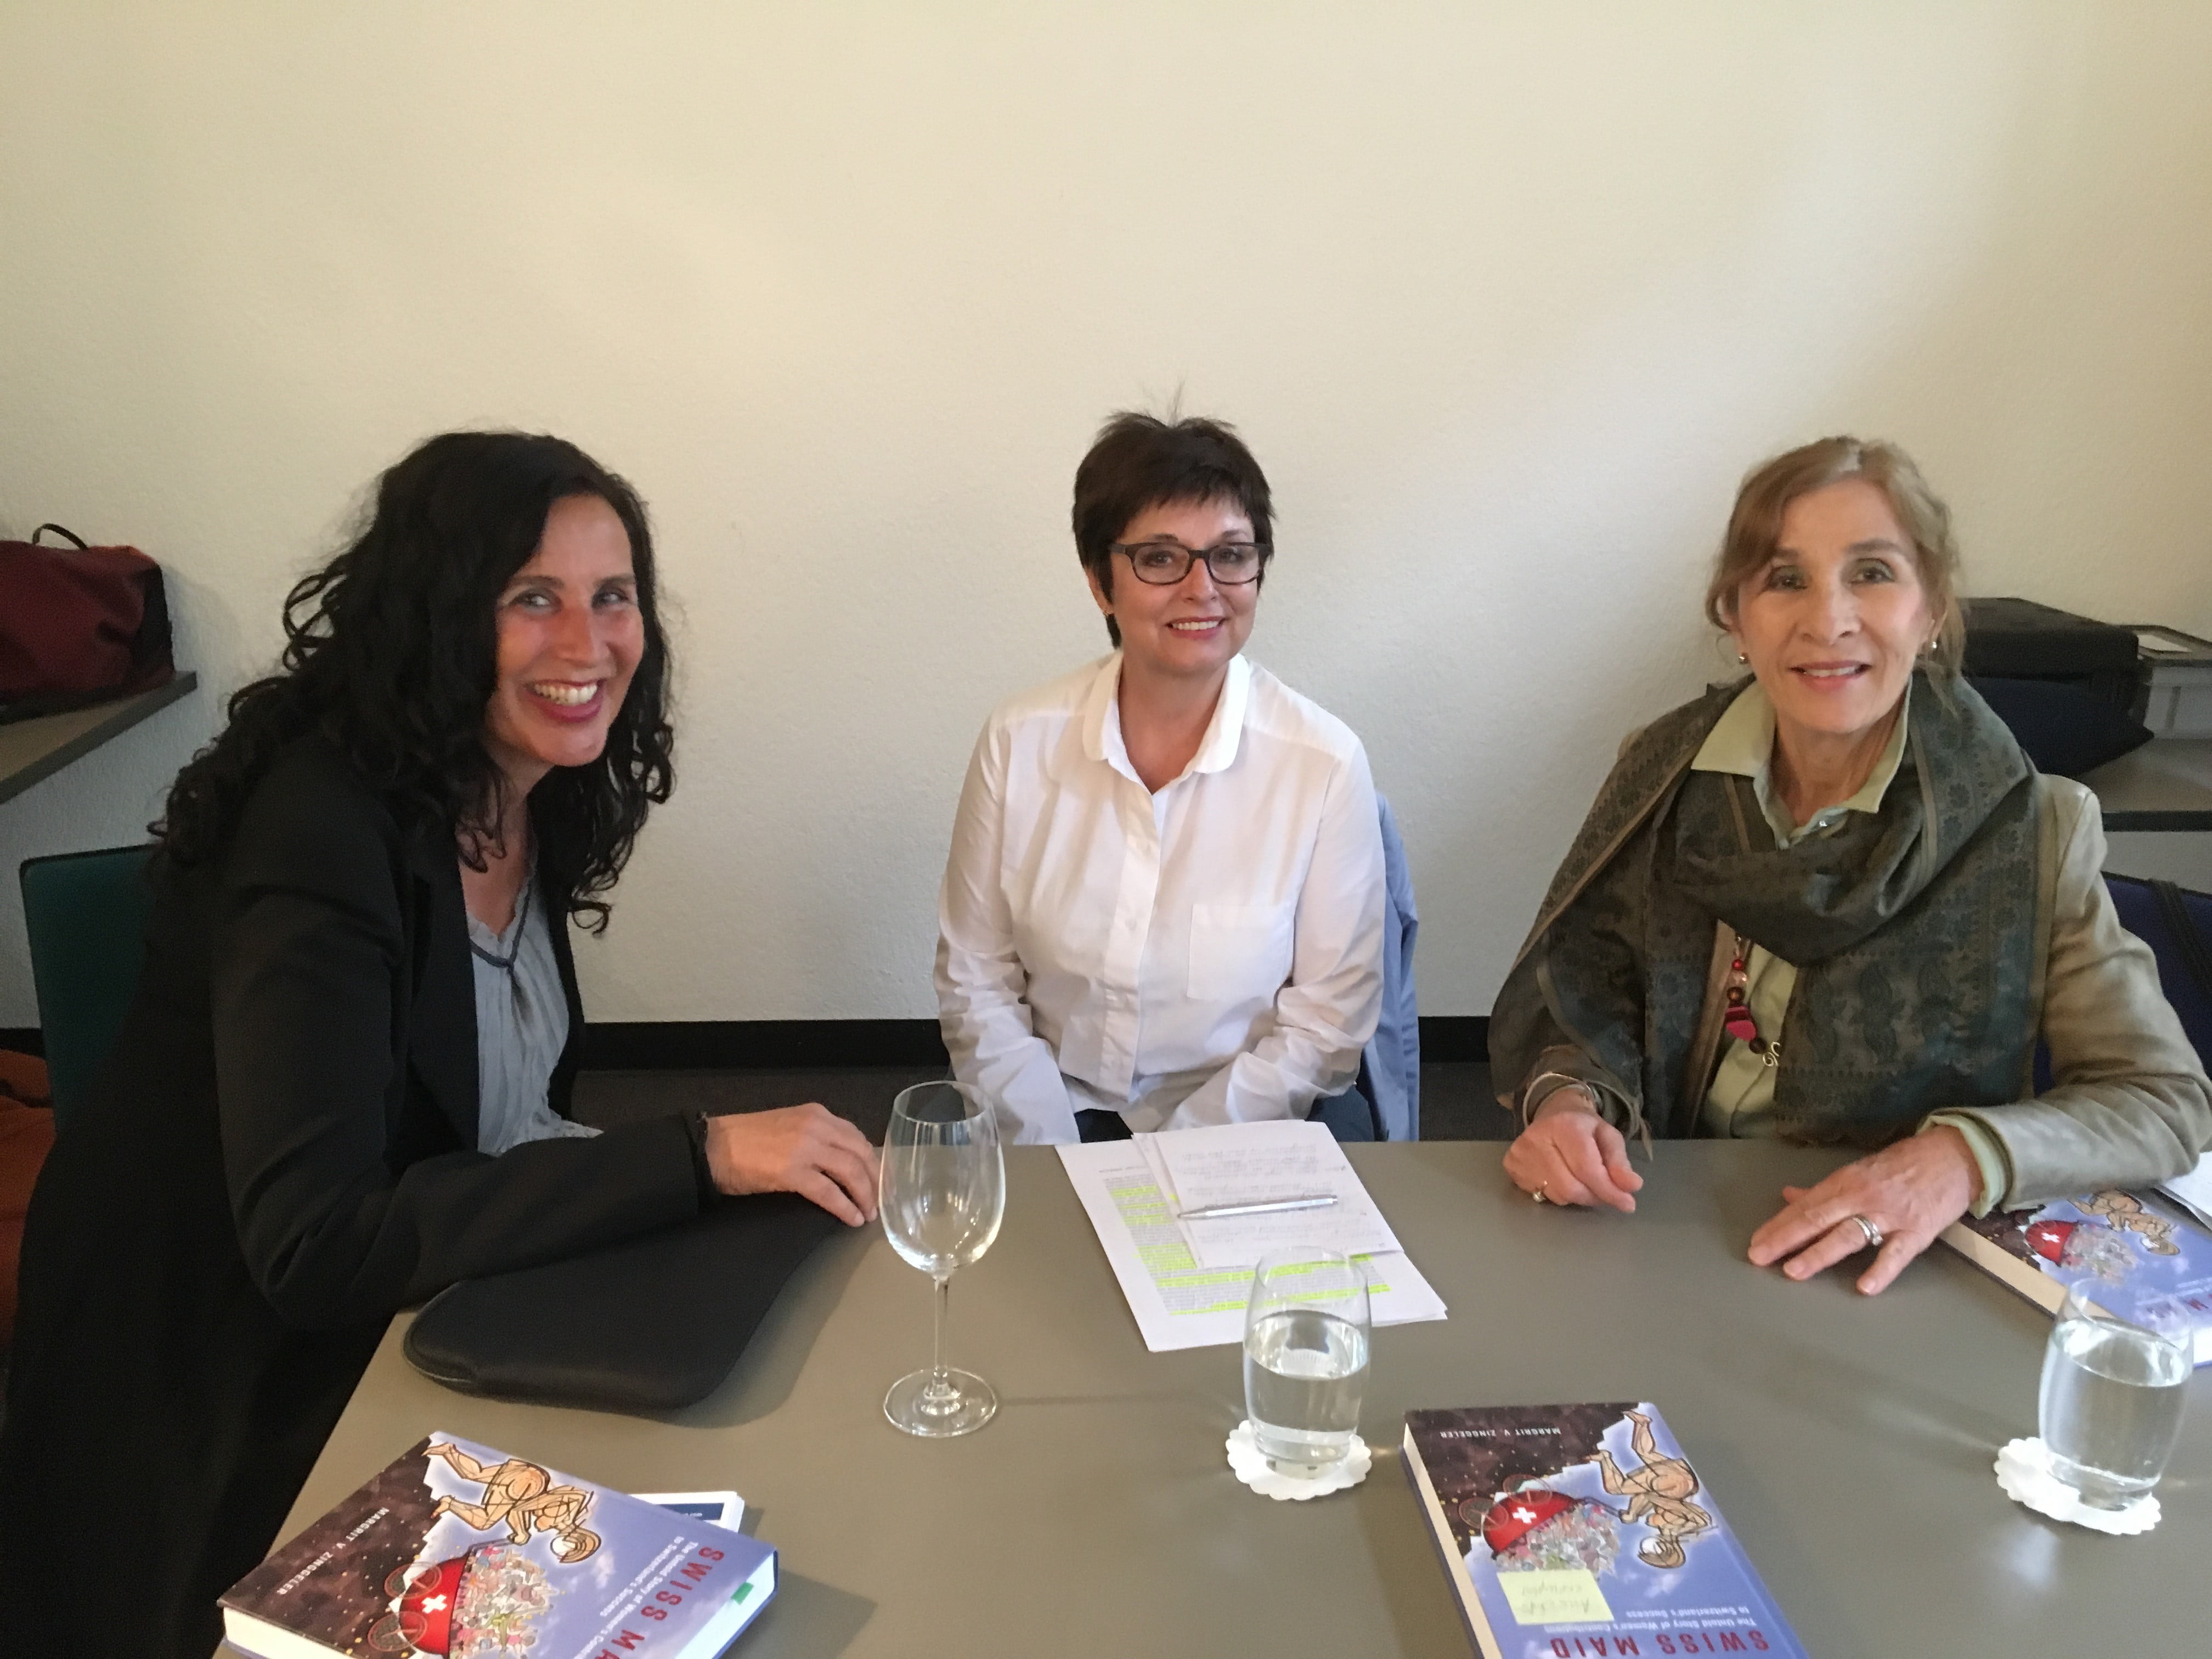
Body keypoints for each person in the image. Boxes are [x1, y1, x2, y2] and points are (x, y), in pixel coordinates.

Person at [0, 432, 880, 1656]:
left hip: (403, 1300)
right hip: (215, 1373)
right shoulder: (320, 830)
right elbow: (316, 1245)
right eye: (533, 599)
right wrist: (698, 1154)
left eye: (613, 597)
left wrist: (687, 1176)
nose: (589, 643)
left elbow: (491, 1117)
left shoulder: (524, 790)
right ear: (437, 613)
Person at [1491, 436, 2211, 1292]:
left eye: (1872, 573)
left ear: (1931, 610)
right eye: (1784, 579)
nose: (1828, 620)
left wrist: (1958, 1160)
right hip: (1661, 1225)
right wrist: (1570, 1103)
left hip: (1895, 1263)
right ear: (1735, 618)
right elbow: (1587, 990)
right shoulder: (1660, 778)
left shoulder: (2033, 827)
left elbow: (2163, 1099)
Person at [935, 411, 1386, 1144]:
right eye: (1160, 558)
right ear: (1100, 582)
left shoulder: (1325, 764)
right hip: (1054, 1110)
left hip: (1241, 1122)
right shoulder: (1017, 742)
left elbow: (1325, 1024)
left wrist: (1172, 1166)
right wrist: (1054, 1151)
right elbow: (976, 979)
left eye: (1230, 555)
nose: (1202, 588)